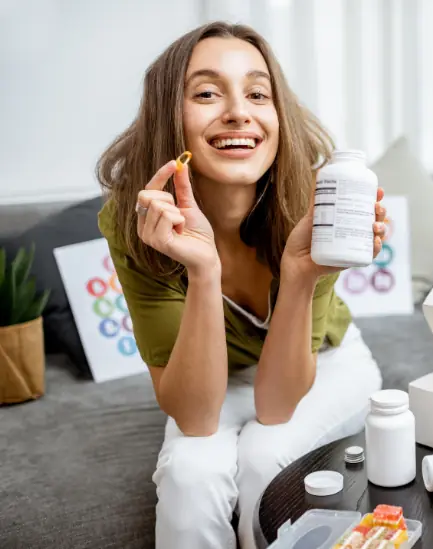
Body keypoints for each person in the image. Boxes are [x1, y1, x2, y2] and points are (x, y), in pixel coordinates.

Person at [96, 21, 386, 549]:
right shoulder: (134, 220)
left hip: (327, 362)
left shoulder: (314, 202)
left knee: (261, 457)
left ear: (278, 117)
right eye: (207, 93)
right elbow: (196, 415)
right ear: (170, 118)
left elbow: (276, 408)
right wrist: (203, 271)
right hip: (211, 373)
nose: (238, 111)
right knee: (191, 473)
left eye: (258, 93)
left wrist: (301, 272)